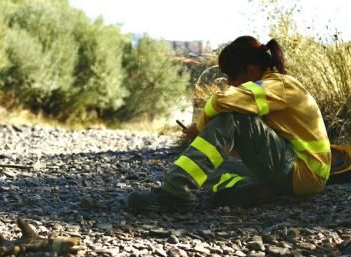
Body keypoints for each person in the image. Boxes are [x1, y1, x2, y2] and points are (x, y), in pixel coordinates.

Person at [128, 35, 332, 212]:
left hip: (301, 173)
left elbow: (222, 101)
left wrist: (199, 128)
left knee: (234, 115)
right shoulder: (276, 86)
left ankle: (175, 193)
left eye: (232, 77)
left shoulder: (280, 86)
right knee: (209, 168)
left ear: (251, 71)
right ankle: (260, 188)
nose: (229, 83)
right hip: (298, 173)